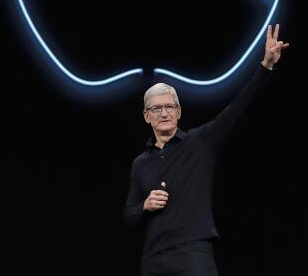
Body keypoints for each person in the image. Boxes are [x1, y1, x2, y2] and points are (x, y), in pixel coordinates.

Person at [124, 24, 290, 276]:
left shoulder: (200, 142)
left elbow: (238, 108)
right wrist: (144, 206)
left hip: (192, 255)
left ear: (179, 112)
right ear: (147, 116)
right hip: (153, 260)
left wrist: (265, 66)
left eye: (170, 107)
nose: (165, 113)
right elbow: (129, 215)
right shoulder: (140, 163)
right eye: (157, 109)